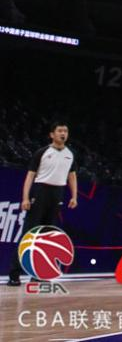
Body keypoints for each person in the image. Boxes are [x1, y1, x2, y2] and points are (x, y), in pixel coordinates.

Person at [8, 121, 77, 286]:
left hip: (57, 194)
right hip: (40, 192)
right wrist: (25, 198)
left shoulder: (70, 154)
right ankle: (14, 274)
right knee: (29, 234)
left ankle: (37, 274)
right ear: (52, 134)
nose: (63, 134)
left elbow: (72, 176)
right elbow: (30, 176)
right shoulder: (42, 152)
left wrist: (74, 196)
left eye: (65, 131)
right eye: (60, 131)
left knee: (45, 237)